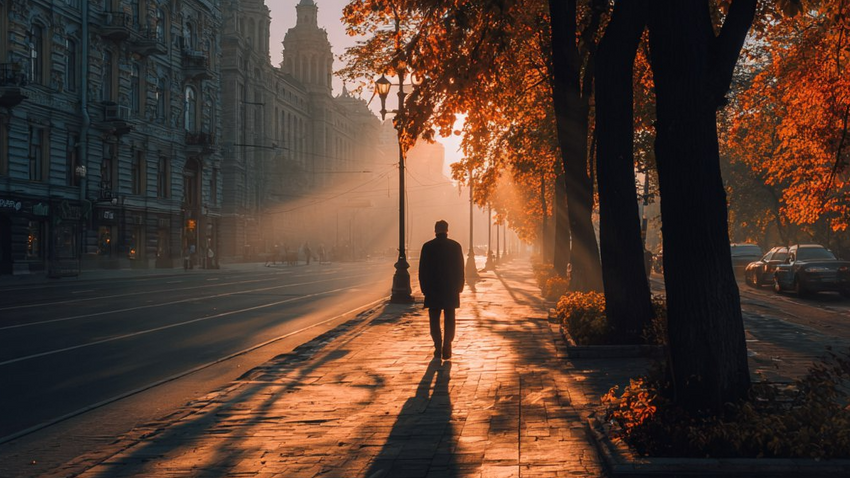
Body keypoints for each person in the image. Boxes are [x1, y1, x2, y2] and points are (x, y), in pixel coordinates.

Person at [419, 220, 465, 360]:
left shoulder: (427, 247)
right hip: (450, 289)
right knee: (450, 319)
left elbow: (423, 270)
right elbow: (460, 269)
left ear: (435, 230)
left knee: (434, 320)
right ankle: (447, 346)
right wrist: (459, 287)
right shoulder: (455, 246)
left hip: (433, 289)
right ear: (447, 230)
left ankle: (437, 346)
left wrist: (424, 289)